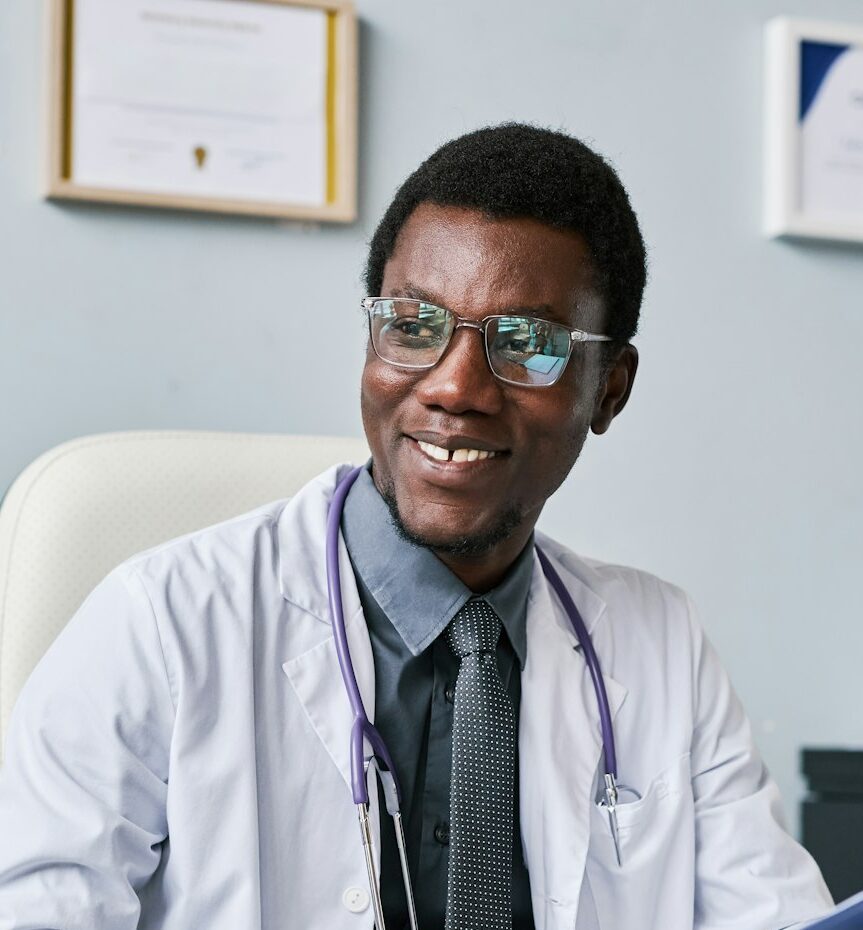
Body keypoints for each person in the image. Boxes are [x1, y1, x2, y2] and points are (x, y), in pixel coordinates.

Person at [0, 124, 832, 930]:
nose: (455, 387)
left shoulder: (660, 644)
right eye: (412, 325)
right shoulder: (163, 619)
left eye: (526, 342)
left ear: (609, 388)